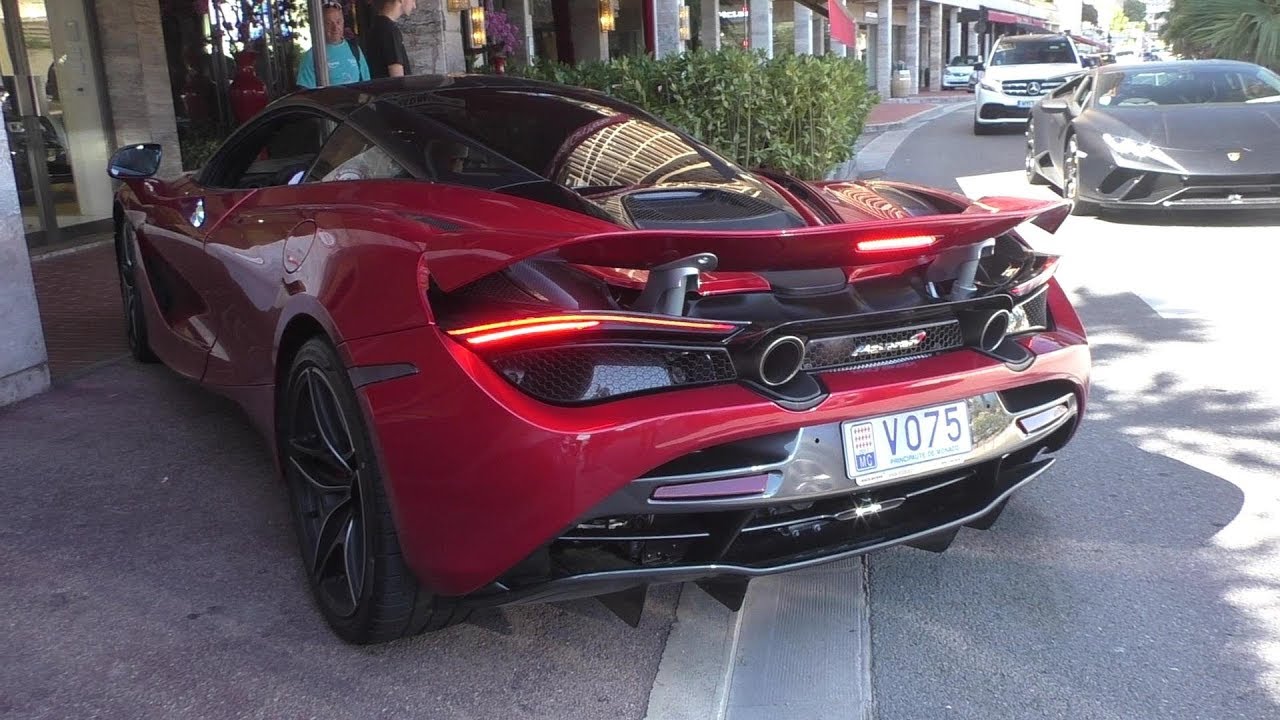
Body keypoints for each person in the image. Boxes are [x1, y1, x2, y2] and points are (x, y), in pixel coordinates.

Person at [296, 0, 371, 88]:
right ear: (321, 26)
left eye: (338, 22)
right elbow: (307, 94)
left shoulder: (355, 50)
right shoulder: (311, 56)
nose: (335, 27)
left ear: (343, 22)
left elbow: (367, 85)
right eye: (328, 23)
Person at [364, 0, 415, 79]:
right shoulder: (389, 30)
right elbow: (397, 77)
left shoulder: (377, 24)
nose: (414, 6)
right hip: (391, 90)